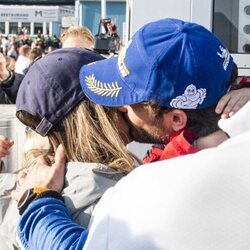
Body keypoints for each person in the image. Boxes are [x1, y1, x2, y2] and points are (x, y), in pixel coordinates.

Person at [13, 18, 250, 249]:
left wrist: (37, 202)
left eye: (127, 100)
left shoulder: (144, 192)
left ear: (177, 118)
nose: (117, 107)